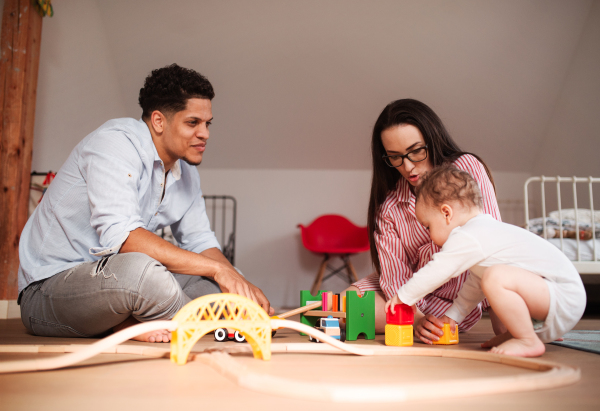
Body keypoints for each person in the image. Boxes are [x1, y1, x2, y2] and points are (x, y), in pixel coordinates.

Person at [18, 64, 272, 343]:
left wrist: (240, 284)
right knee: (145, 274)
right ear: (159, 121)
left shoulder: (186, 173)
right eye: (193, 123)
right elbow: (125, 239)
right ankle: (159, 320)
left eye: (207, 123)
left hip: (118, 281)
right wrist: (219, 271)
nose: (205, 134)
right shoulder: (114, 144)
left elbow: (200, 242)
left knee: (223, 287)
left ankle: (144, 317)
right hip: (49, 290)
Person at [347, 98, 506, 344]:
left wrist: (500, 316)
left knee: (506, 297)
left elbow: (493, 241)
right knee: (347, 305)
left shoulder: (465, 168)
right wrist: (416, 318)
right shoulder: (388, 207)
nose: (408, 167)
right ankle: (422, 323)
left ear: (432, 140)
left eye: (416, 151)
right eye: (395, 157)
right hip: (407, 294)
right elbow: (394, 277)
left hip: (458, 294)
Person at [385, 165, 586, 357]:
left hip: (563, 296)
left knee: (494, 277)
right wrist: (453, 317)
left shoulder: (468, 235)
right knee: (488, 277)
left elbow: (437, 270)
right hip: (559, 298)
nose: (428, 235)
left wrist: (403, 296)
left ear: (447, 213)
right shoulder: (483, 235)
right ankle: (521, 334)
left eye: (428, 226)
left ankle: (526, 339)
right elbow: (475, 286)